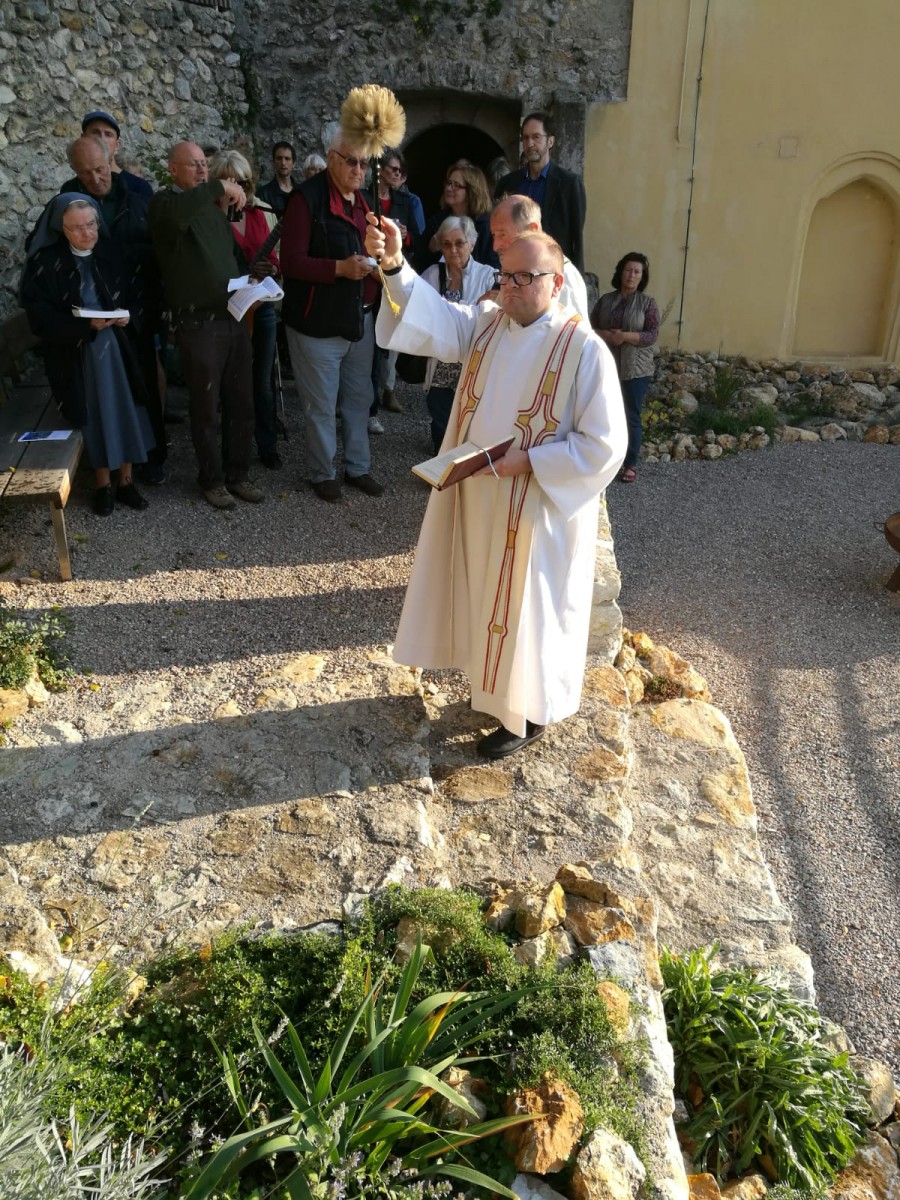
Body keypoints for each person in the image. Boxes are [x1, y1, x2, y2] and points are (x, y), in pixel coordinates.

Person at [365, 215, 626, 759]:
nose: (511, 287)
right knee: (486, 597)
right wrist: (393, 264)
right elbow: (432, 318)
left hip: (536, 509)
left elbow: (604, 446)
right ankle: (492, 693)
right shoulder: (486, 325)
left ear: (556, 282)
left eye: (526, 277)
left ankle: (526, 715)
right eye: (505, 276)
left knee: (528, 609)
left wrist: (530, 460)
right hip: (480, 495)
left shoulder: (584, 350)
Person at [21, 196, 155, 516]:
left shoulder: (111, 253)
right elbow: (40, 317)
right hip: (78, 355)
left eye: (92, 224)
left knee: (124, 409)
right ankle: (102, 485)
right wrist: (83, 327)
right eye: (78, 228)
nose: (87, 233)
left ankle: (126, 480)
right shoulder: (46, 262)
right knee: (97, 413)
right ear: (62, 229)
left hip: (119, 348)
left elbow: (140, 295)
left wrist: (128, 317)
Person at [149, 141, 263, 510]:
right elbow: (177, 215)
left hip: (231, 316)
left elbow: (232, 260)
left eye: (204, 165)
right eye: (194, 165)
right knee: (206, 406)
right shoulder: (165, 205)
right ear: (173, 169)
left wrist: (253, 281)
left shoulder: (214, 212)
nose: (201, 171)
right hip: (197, 323)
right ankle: (212, 480)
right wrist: (218, 187)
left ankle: (239, 473)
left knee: (241, 402)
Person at [279, 131, 384, 503]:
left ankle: (358, 467)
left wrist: (378, 268)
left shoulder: (365, 202)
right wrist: (339, 268)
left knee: (359, 398)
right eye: (351, 161)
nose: (358, 169)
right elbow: (289, 262)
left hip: (360, 318)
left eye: (364, 163)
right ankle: (322, 473)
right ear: (332, 158)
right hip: (317, 323)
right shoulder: (305, 201)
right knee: (321, 405)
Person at [60, 136, 167, 483]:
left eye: (100, 169)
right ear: (75, 172)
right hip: (92, 321)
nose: (95, 178)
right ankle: (109, 467)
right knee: (103, 396)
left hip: (134, 310)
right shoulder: (67, 200)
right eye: (85, 172)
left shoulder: (136, 198)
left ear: (111, 161)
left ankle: (151, 458)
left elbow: (157, 254)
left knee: (144, 387)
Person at [208, 149, 282, 470]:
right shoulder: (209, 216)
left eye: (241, 181)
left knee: (261, 381)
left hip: (259, 308)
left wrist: (271, 270)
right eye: (228, 180)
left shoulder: (260, 213)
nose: (236, 187)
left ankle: (266, 445)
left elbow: (276, 260)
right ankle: (229, 451)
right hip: (224, 311)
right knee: (227, 384)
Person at [420, 215, 497, 452]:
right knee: (440, 413)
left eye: (459, 243)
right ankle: (440, 464)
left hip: (472, 361)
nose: (453, 250)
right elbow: (420, 311)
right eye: (446, 244)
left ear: (472, 244)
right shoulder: (433, 274)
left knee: (471, 415)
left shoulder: (489, 275)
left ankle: (464, 466)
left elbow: (496, 315)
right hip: (442, 362)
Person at [591, 252, 660, 484]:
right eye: (628, 270)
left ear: (642, 277)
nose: (631, 275)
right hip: (606, 365)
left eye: (637, 272)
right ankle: (607, 461)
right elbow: (589, 327)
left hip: (635, 370)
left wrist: (625, 336)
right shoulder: (606, 301)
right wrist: (607, 335)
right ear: (620, 272)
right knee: (603, 414)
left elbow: (652, 335)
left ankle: (630, 463)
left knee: (630, 416)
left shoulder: (647, 303)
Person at [494, 111, 586, 273]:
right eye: (526, 138)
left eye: (536, 137)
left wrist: (576, 277)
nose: (529, 143)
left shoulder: (569, 184)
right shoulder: (508, 183)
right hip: (514, 269)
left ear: (550, 141)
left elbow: (576, 237)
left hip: (551, 270)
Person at [364, 149, 416, 417]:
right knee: (370, 341)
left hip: (393, 273)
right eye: (393, 169)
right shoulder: (364, 198)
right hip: (368, 276)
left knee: (393, 336)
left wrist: (404, 236)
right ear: (380, 170)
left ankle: (388, 390)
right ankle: (368, 405)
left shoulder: (404, 201)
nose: (397, 174)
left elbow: (414, 237)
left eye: (400, 171)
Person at [487, 194, 589, 319]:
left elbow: (572, 334)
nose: (495, 246)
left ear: (532, 230)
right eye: (494, 235)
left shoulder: (564, 277)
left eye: (503, 235)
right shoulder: (510, 274)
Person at [421, 163, 496, 270]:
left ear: (471, 191)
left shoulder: (484, 224)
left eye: (456, 185)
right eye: (448, 183)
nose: (449, 188)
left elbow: (493, 266)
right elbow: (419, 264)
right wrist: (431, 248)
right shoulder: (437, 221)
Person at [81, 110, 153, 199]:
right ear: (83, 139)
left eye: (108, 134)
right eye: (95, 133)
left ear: (117, 145)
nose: (101, 139)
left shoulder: (139, 188)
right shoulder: (74, 187)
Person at [258, 142, 297, 217]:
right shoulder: (263, 194)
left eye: (287, 159)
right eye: (279, 158)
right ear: (273, 162)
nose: (283, 163)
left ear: (294, 163)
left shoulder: (301, 192)